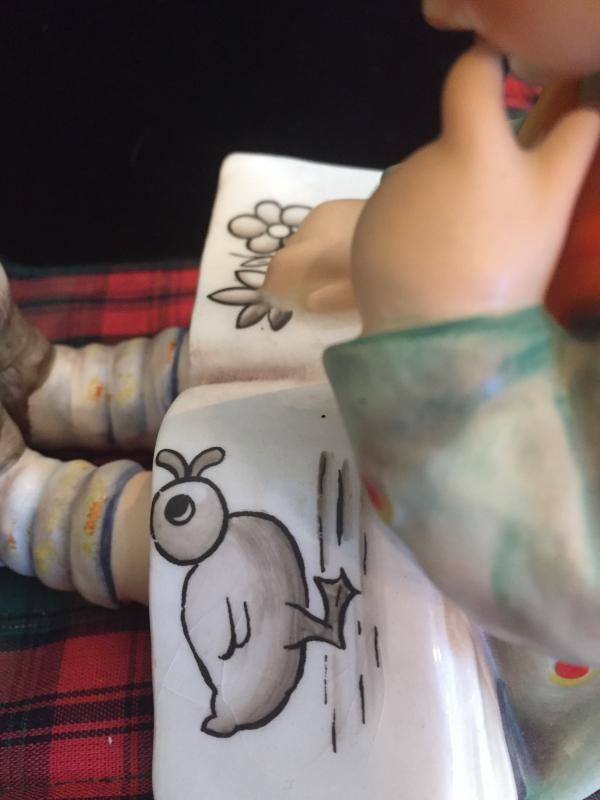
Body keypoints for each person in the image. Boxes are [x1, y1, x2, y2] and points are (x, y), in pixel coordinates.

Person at [263, 0, 600, 664]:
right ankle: (87, 393)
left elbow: (574, 587)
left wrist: (447, 324)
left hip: (499, 616)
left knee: (270, 551)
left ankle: (68, 517)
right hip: (421, 437)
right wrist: (408, 227)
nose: (439, 10)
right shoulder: (579, 82)